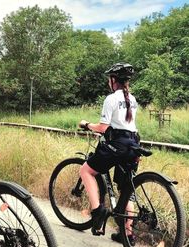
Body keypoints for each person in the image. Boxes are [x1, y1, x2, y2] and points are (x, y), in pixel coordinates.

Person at [79, 62, 139, 246]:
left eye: (109, 79)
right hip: (134, 144)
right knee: (126, 188)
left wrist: (86, 124)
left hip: (117, 145)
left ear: (113, 80)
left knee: (86, 171)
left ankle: (98, 211)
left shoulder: (111, 99)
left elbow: (103, 128)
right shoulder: (133, 99)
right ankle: (127, 235)